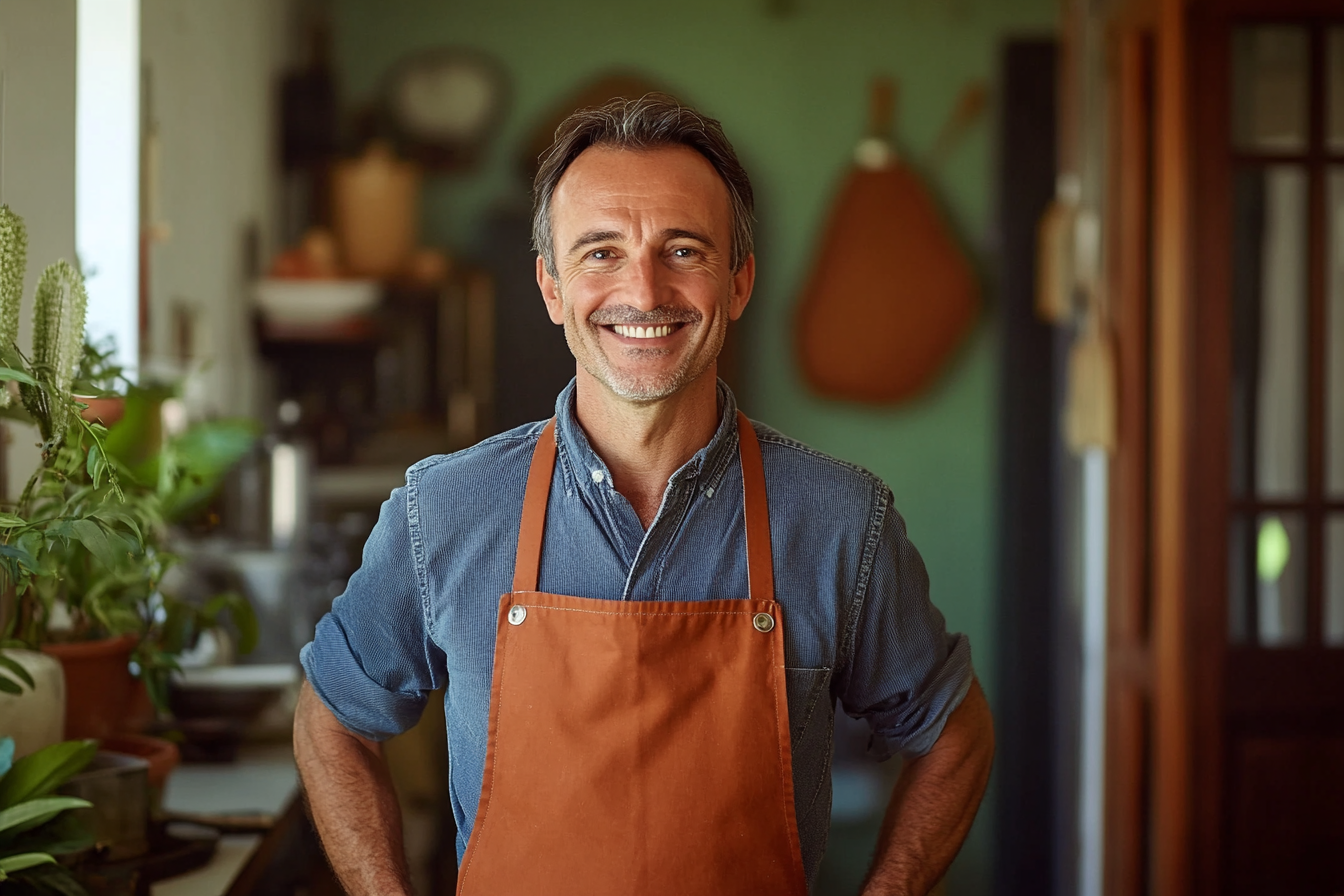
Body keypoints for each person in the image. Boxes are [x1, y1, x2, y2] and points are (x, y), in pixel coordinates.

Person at [295, 94, 994, 896]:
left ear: (738, 283)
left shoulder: (841, 521)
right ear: (552, 289)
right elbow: (333, 719)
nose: (645, 290)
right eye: (599, 253)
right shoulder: (444, 512)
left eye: (684, 250)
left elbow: (954, 731)